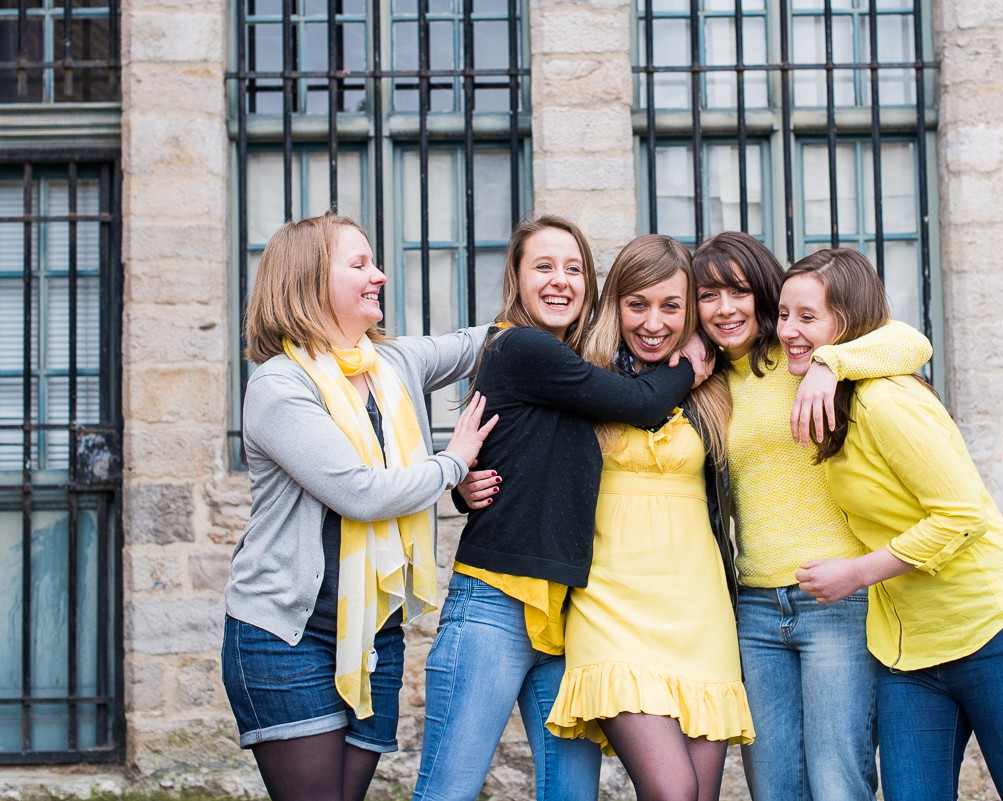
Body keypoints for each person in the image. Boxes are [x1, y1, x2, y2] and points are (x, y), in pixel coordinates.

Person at [413, 216, 709, 801]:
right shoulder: (523, 346)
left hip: (563, 617)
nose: (560, 281)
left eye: (573, 269)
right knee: (448, 791)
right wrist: (687, 363)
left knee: (570, 794)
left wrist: (462, 484)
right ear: (516, 279)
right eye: (543, 266)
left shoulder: (578, 363)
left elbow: (527, 454)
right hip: (496, 604)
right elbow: (641, 405)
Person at [777, 248, 1003, 801]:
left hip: (994, 633)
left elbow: (961, 514)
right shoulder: (835, 405)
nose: (789, 331)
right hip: (908, 655)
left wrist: (857, 573)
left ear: (847, 322)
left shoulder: (885, 401)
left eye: (807, 317)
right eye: (783, 315)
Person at [221, 212, 498, 801]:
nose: (379, 275)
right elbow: (360, 492)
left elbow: (486, 343)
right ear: (309, 279)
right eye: (359, 264)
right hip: (286, 636)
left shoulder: (392, 364)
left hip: (375, 633)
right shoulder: (278, 387)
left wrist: (554, 297)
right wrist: (455, 462)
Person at [689, 231, 933, 801]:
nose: (725, 308)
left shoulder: (805, 354)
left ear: (763, 294)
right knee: (773, 787)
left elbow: (911, 343)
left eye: (739, 291)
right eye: (709, 295)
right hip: (754, 607)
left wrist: (831, 363)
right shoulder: (711, 381)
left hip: (836, 602)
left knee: (837, 784)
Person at [545, 235, 754, 801]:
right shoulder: (582, 376)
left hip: (699, 613)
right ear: (615, 305)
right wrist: (463, 478)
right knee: (674, 793)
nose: (654, 322)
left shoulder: (715, 387)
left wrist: (832, 368)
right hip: (611, 609)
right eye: (638, 304)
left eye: (671, 306)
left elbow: (821, 337)